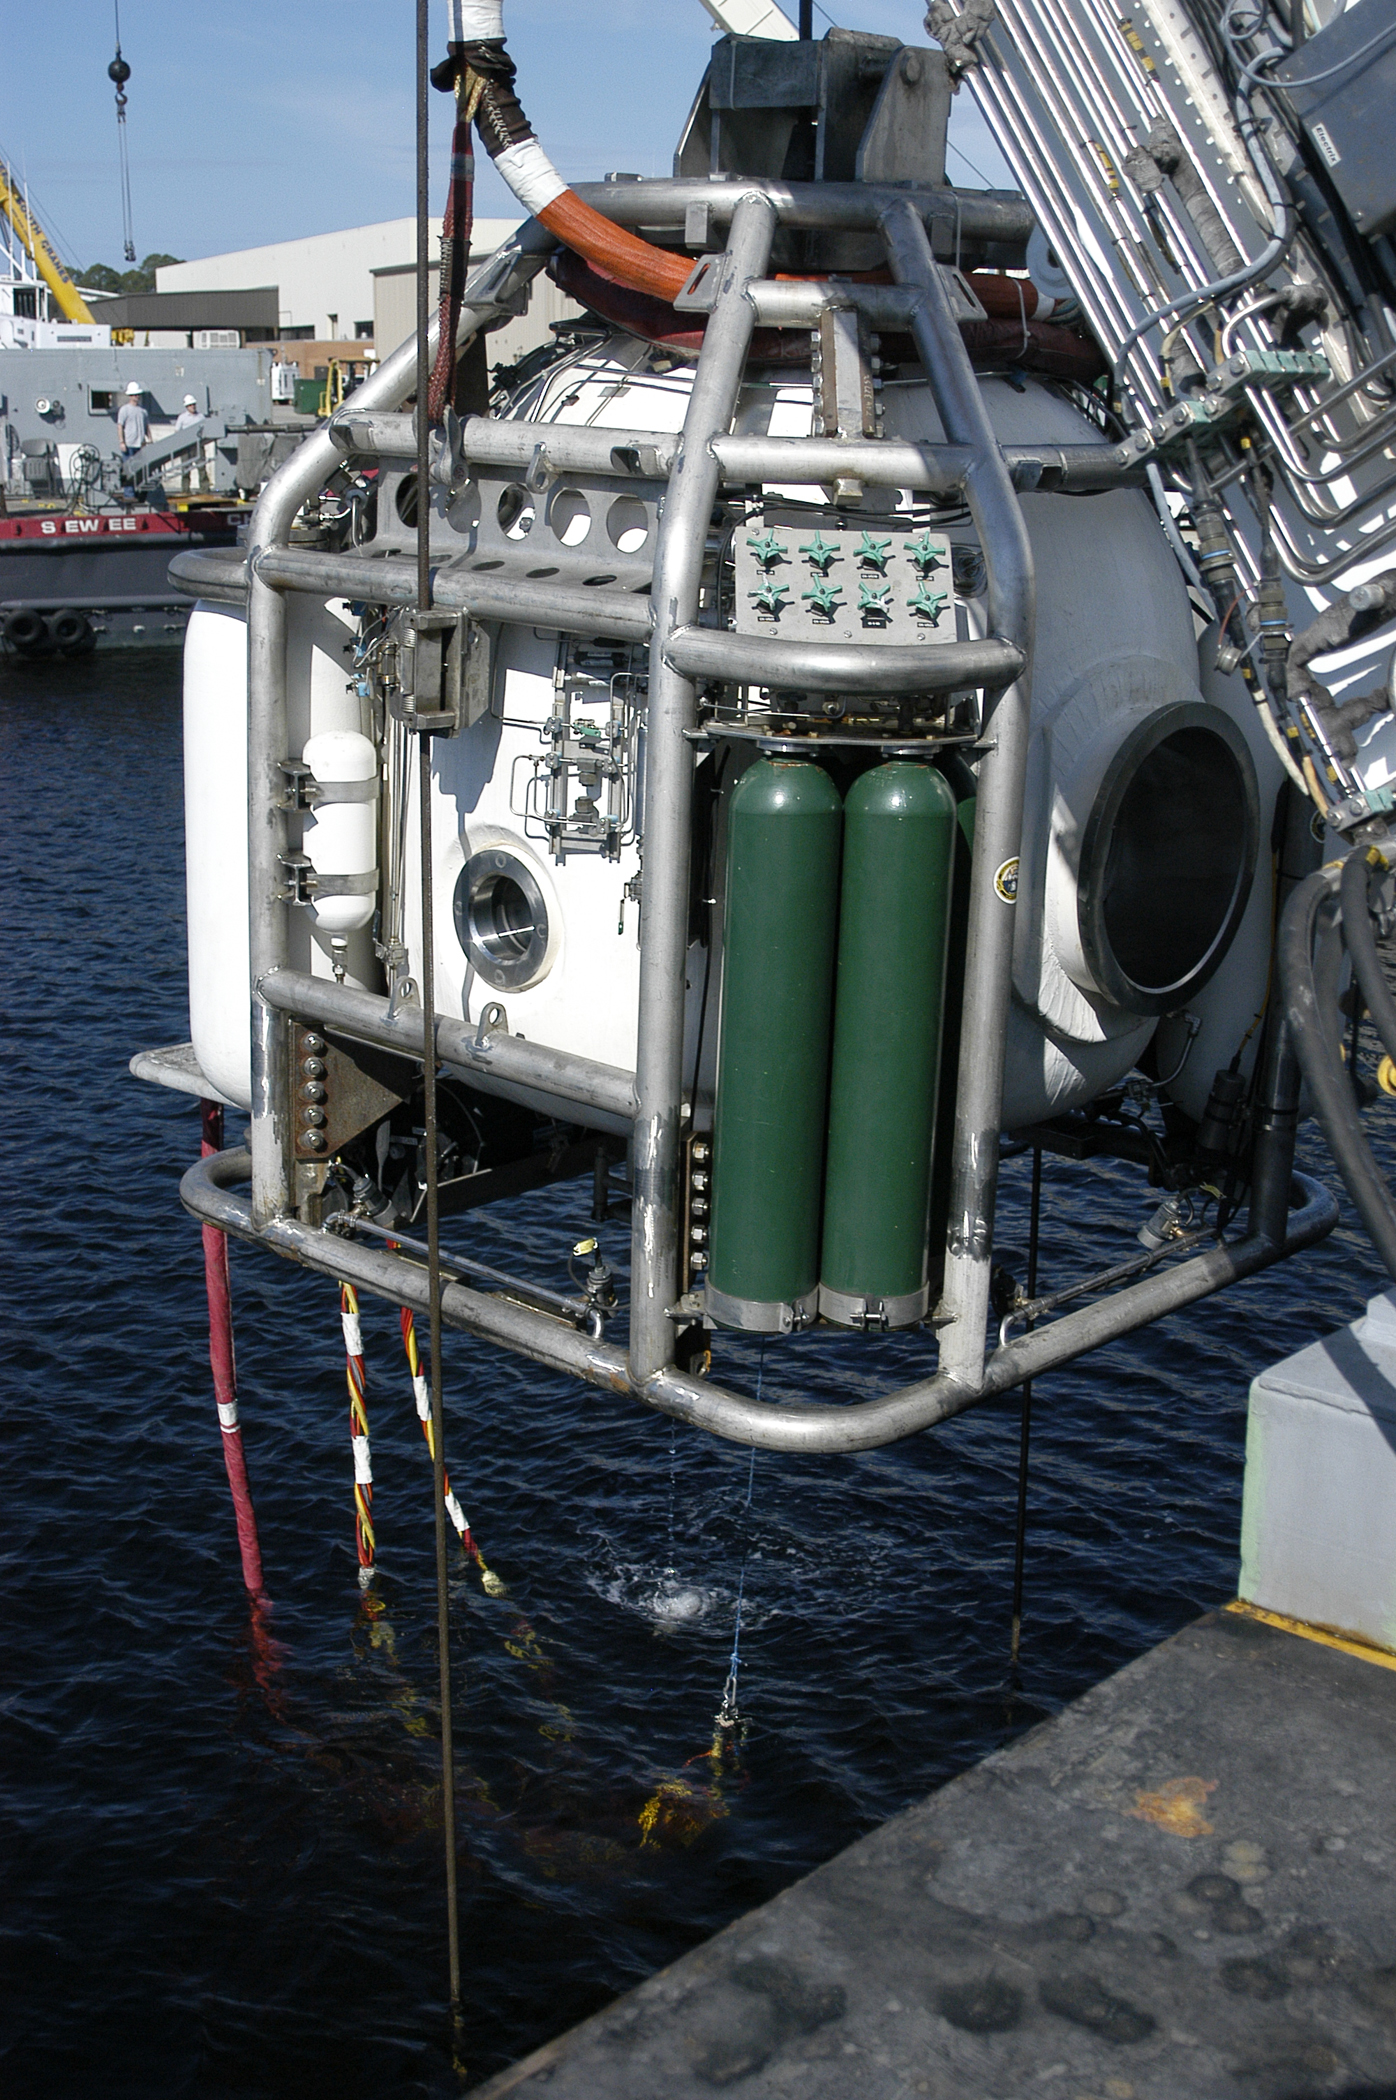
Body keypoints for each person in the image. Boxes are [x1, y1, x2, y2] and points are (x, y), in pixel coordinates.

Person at [116, 380, 148, 458]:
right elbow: (120, 426)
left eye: (138, 394)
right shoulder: (124, 410)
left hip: (140, 445)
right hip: (129, 444)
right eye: (134, 395)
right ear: (130, 396)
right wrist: (122, 442)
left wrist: (148, 440)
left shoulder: (143, 411)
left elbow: (146, 427)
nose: (137, 396)